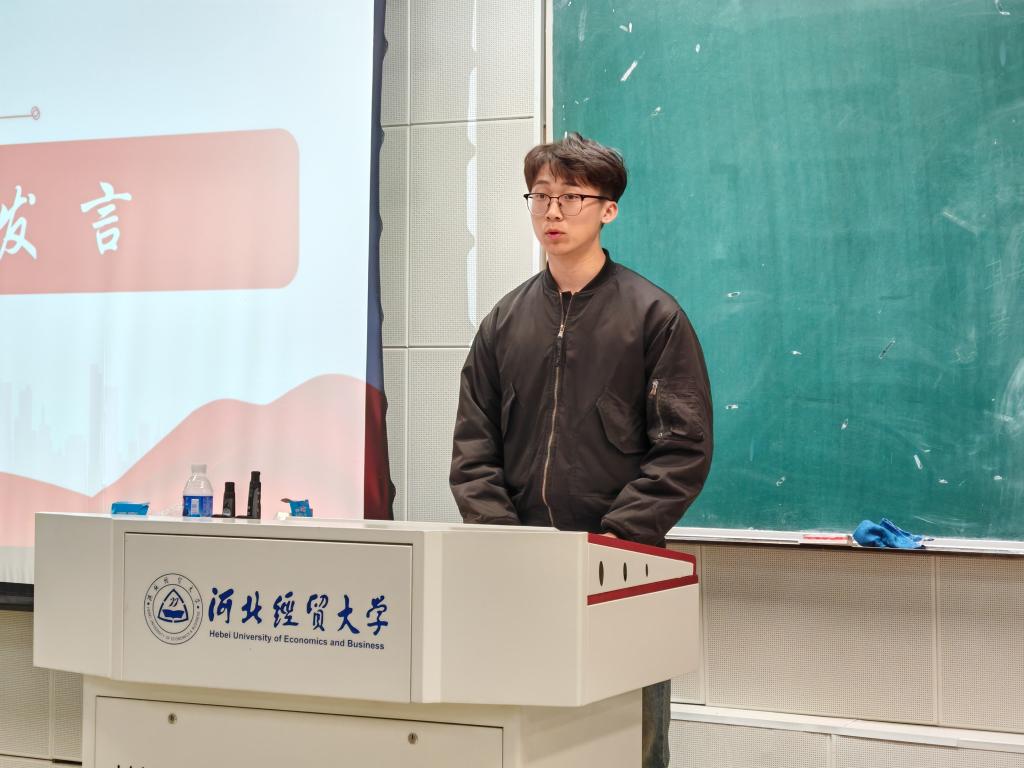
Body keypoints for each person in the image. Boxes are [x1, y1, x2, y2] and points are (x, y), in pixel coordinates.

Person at [449, 132, 713, 768]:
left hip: (621, 568)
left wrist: (614, 542)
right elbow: (473, 447)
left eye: (571, 197)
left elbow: (682, 449)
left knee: (628, 740)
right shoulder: (504, 322)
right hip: (522, 567)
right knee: (530, 736)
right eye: (540, 196)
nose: (553, 211)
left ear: (608, 209)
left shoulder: (653, 317)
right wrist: (503, 539)